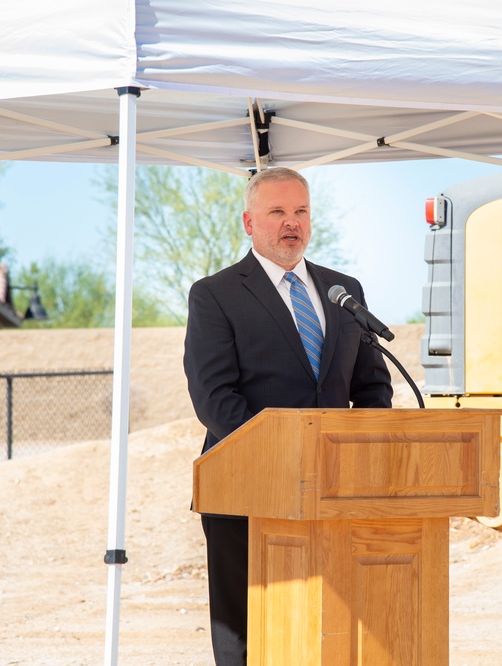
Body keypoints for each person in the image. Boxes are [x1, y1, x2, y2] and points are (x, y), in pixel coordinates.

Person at [183, 167, 393, 665]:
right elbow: (214, 396)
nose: (290, 223)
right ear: (249, 222)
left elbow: (372, 386)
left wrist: (361, 456)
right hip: (244, 484)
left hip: (332, 487)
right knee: (248, 627)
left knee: (323, 622)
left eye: (300, 211)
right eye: (277, 212)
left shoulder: (344, 291)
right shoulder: (215, 295)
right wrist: (283, 456)